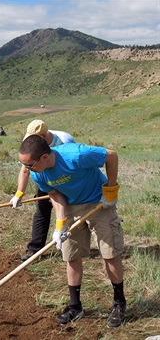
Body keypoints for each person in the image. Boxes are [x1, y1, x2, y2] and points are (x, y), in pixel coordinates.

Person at [18, 135, 126, 328]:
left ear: (44, 157)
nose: (26, 170)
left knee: (110, 253)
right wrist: (60, 225)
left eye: (29, 165)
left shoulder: (76, 154)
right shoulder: (38, 173)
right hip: (71, 206)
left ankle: (119, 303)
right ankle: (75, 306)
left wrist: (111, 190)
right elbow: (54, 194)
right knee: (71, 254)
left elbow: (111, 156)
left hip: (98, 201)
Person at [11, 120, 75, 261]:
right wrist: (19, 194)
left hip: (65, 180)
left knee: (70, 212)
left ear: (44, 136)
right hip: (45, 179)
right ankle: (34, 250)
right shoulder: (32, 143)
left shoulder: (65, 141)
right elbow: (25, 169)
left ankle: (71, 247)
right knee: (41, 211)